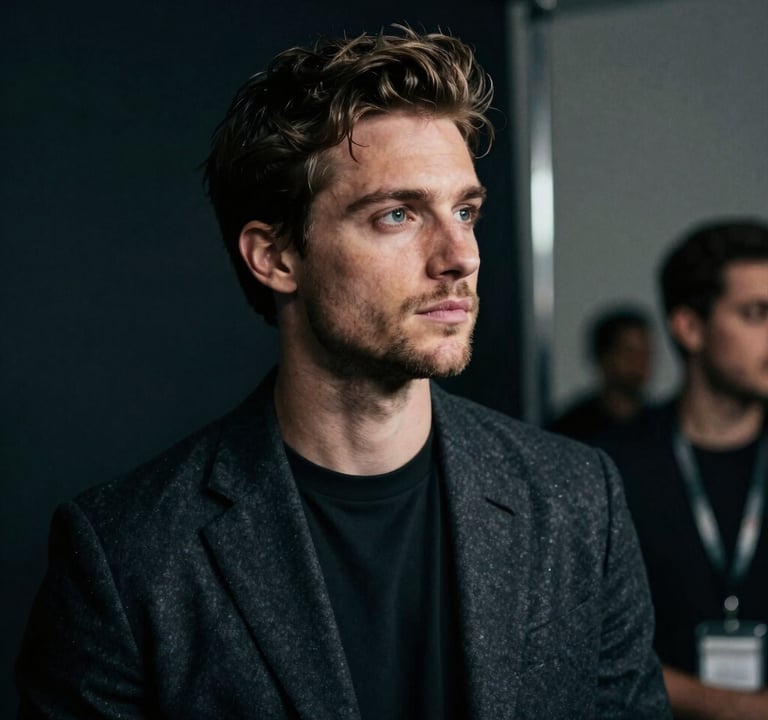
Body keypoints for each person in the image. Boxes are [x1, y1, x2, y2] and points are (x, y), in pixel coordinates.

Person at [15, 26, 670, 719]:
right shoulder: (129, 553)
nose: (459, 256)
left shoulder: (576, 503)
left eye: (466, 211)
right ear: (275, 257)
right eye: (397, 214)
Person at [597, 219, 768, 719]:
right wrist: (738, 709)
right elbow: (588, 650)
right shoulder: (607, 470)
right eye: (756, 313)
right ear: (689, 327)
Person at [549, 306, 653, 440]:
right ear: (605, 357)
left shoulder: (662, 428)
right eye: (630, 353)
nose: (640, 363)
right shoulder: (573, 427)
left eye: (646, 353)